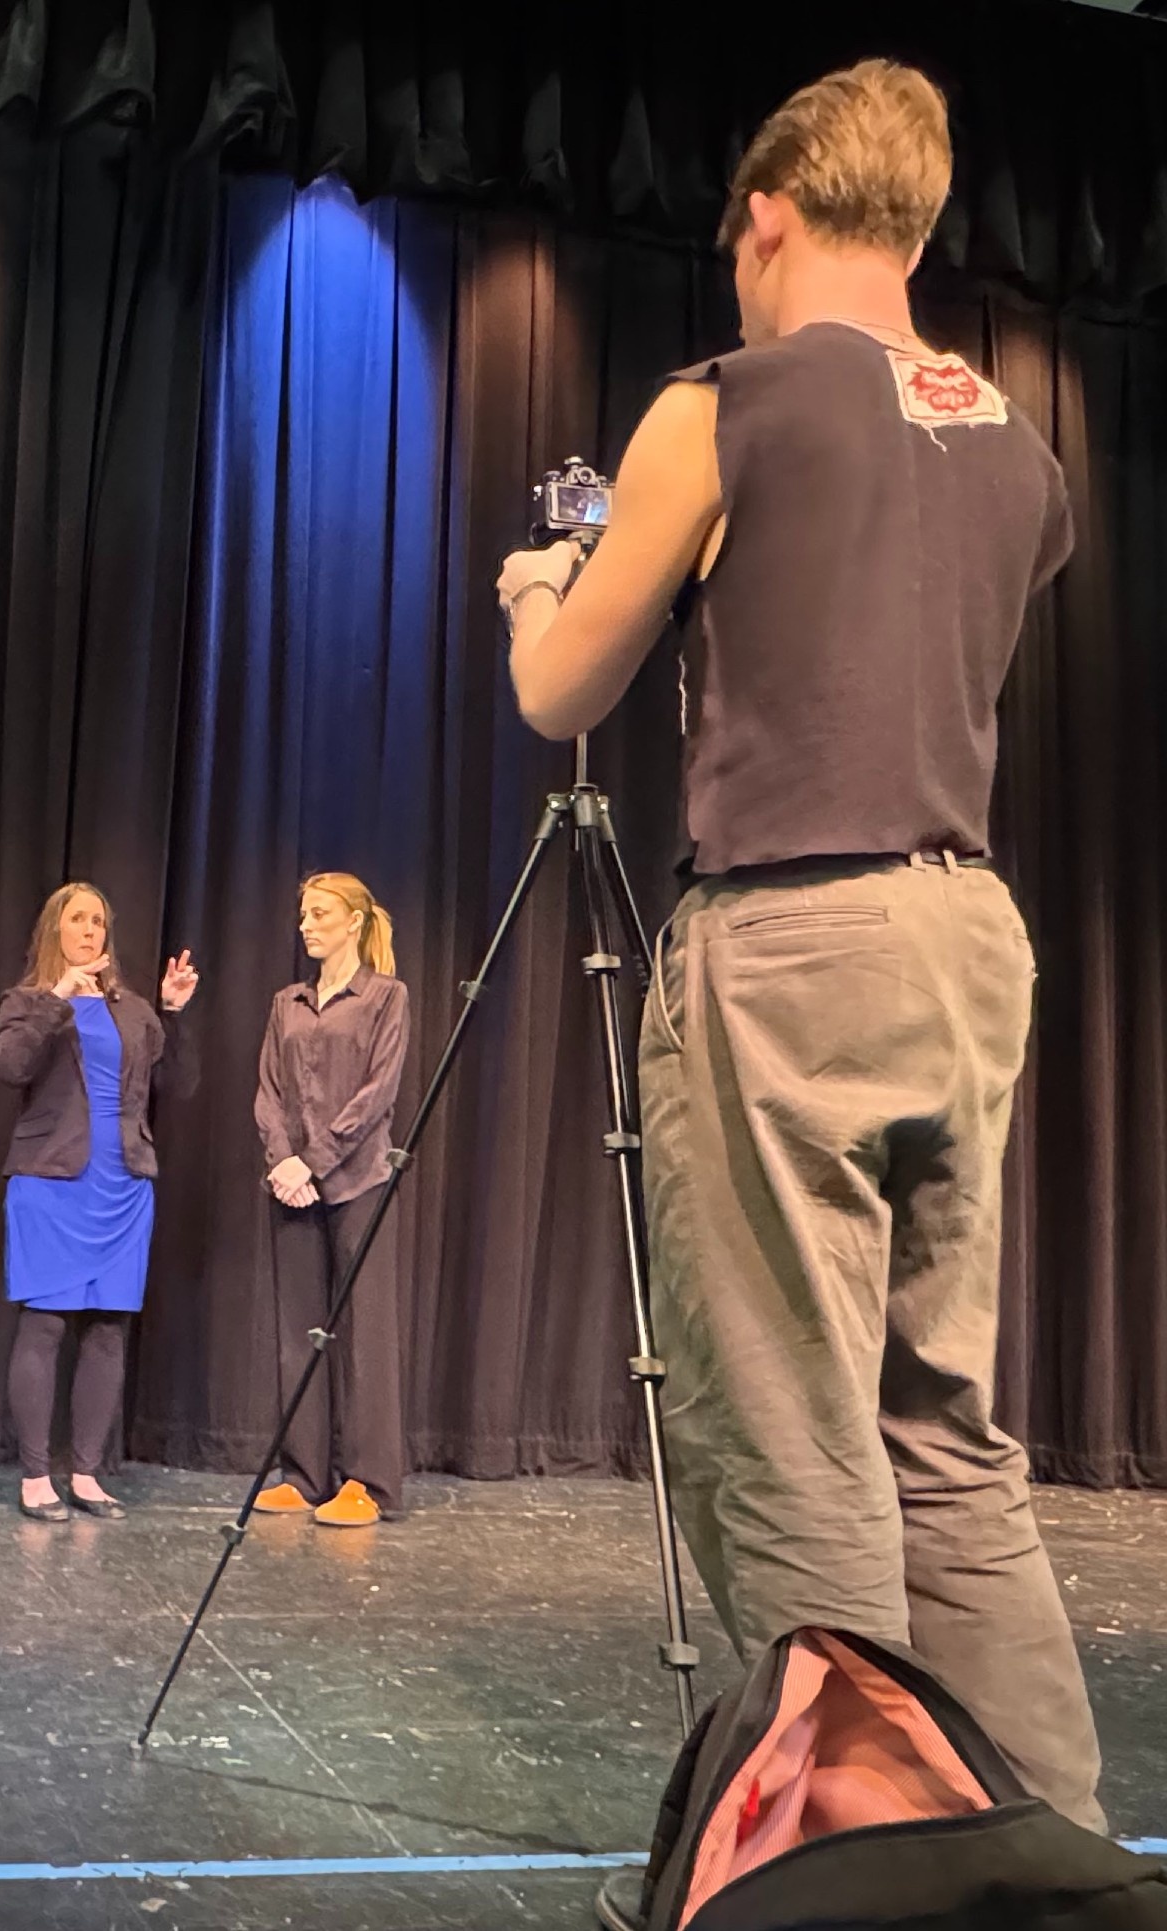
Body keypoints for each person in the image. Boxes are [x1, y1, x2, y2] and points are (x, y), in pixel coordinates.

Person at [497, 56, 1104, 1923]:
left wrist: (545, 583)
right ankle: (1053, 1862)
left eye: (736, 243)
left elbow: (563, 694)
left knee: (796, 1440)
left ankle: (840, 1883)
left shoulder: (725, 398)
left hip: (793, 944)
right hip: (965, 938)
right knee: (949, 1436)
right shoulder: (1022, 446)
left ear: (767, 217)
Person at [0, 883, 199, 1522]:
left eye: (99, 922)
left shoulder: (133, 1011)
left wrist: (174, 1015)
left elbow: (179, 1086)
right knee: (47, 1324)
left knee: (108, 1330)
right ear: (55, 930)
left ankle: (85, 1473)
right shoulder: (28, 1001)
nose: (90, 931)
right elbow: (9, 1065)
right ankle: (34, 1478)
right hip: (51, 1182)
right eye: (78, 920)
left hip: (123, 1183)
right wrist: (57, 999)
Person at [253, 872, 409, 1527]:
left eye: (320, 914)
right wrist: (283, 1160)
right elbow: (267, 1091)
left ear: (354, 921)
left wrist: (315, 1160)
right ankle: (304, 1472)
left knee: (364, 1335)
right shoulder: (286, 1002)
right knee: (299, 1333)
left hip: (359, 1179)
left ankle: (366, 1479)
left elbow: (379, 1092)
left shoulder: (385, 997)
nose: (307, 925)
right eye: (304, 915)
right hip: (292, 1182)